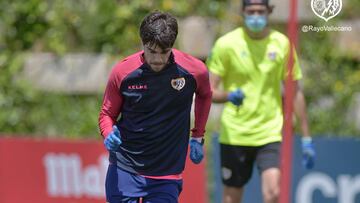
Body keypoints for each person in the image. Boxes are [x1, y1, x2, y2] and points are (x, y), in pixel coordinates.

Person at [206, 0, 315, 203]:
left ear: (269, 12)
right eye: (251, 11)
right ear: (243, 12)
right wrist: (229, 95)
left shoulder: (281, 43)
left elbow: (295, 91)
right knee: (231, 198)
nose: (255, 16)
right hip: (235, 133)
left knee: (273, 193)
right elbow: (209, 91)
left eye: (260, 11)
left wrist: (307, 136)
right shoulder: (226, 44)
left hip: (269, 131)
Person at [98, 11, 212, 203]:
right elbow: (107, 114)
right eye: (152, 51)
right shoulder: (123, 72)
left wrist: (198, 136)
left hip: (166, 172)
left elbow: (205, 94)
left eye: (164, 52)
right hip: (126, 167)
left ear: (172, 47)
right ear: (142, 43)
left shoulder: (194, 71)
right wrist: (108, 134)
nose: (158, 59)